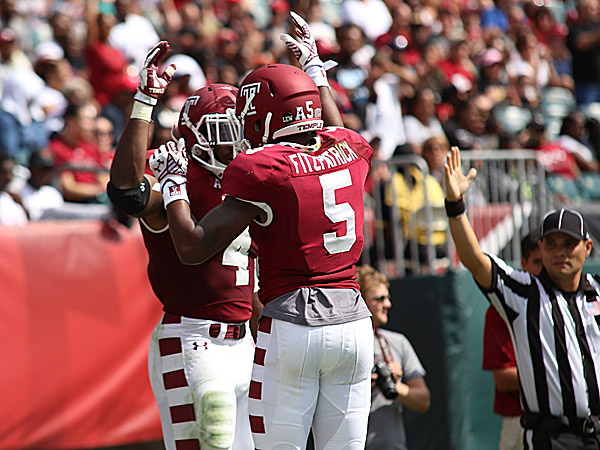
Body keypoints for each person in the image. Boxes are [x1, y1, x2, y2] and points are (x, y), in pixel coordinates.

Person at [150, 14, 375, 449]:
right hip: (354, 319)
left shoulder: (264, 171)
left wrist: (176, 183)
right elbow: (335, 129)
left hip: (292, 324)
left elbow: (193, 247)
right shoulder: (350, 149)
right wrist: (316, 72)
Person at [107, 41, 260, 450]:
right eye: (221, 133)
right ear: (192, 135)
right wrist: (145, 102)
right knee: (208, 440)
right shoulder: (179, 181)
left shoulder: (247, 184)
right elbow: (127, 193)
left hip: (244, 341)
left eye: (238, 132)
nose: (233, 145)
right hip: (194, 339)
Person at [445, 145, 600, 449]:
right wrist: (455, 204)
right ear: (540, 249)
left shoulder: (598, 291)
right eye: (552, 244)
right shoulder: (523, 292)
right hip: (550, 438)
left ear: (587, 248)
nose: (560, 252)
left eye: (568, 244)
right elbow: (475, 260)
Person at [355, 264, 430, 450]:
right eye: (379, 299)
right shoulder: (343, 345)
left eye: (387, 298)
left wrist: (396, 386)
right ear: (361, 302)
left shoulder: (398, 342)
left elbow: (423, 401)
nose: (387, 304)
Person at [482, 230, 542, 450]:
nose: (543, 269)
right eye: (537, 262)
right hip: (521, 420)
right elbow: (504, 378)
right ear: (524, 264)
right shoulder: (501, 309)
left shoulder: (579, 299)